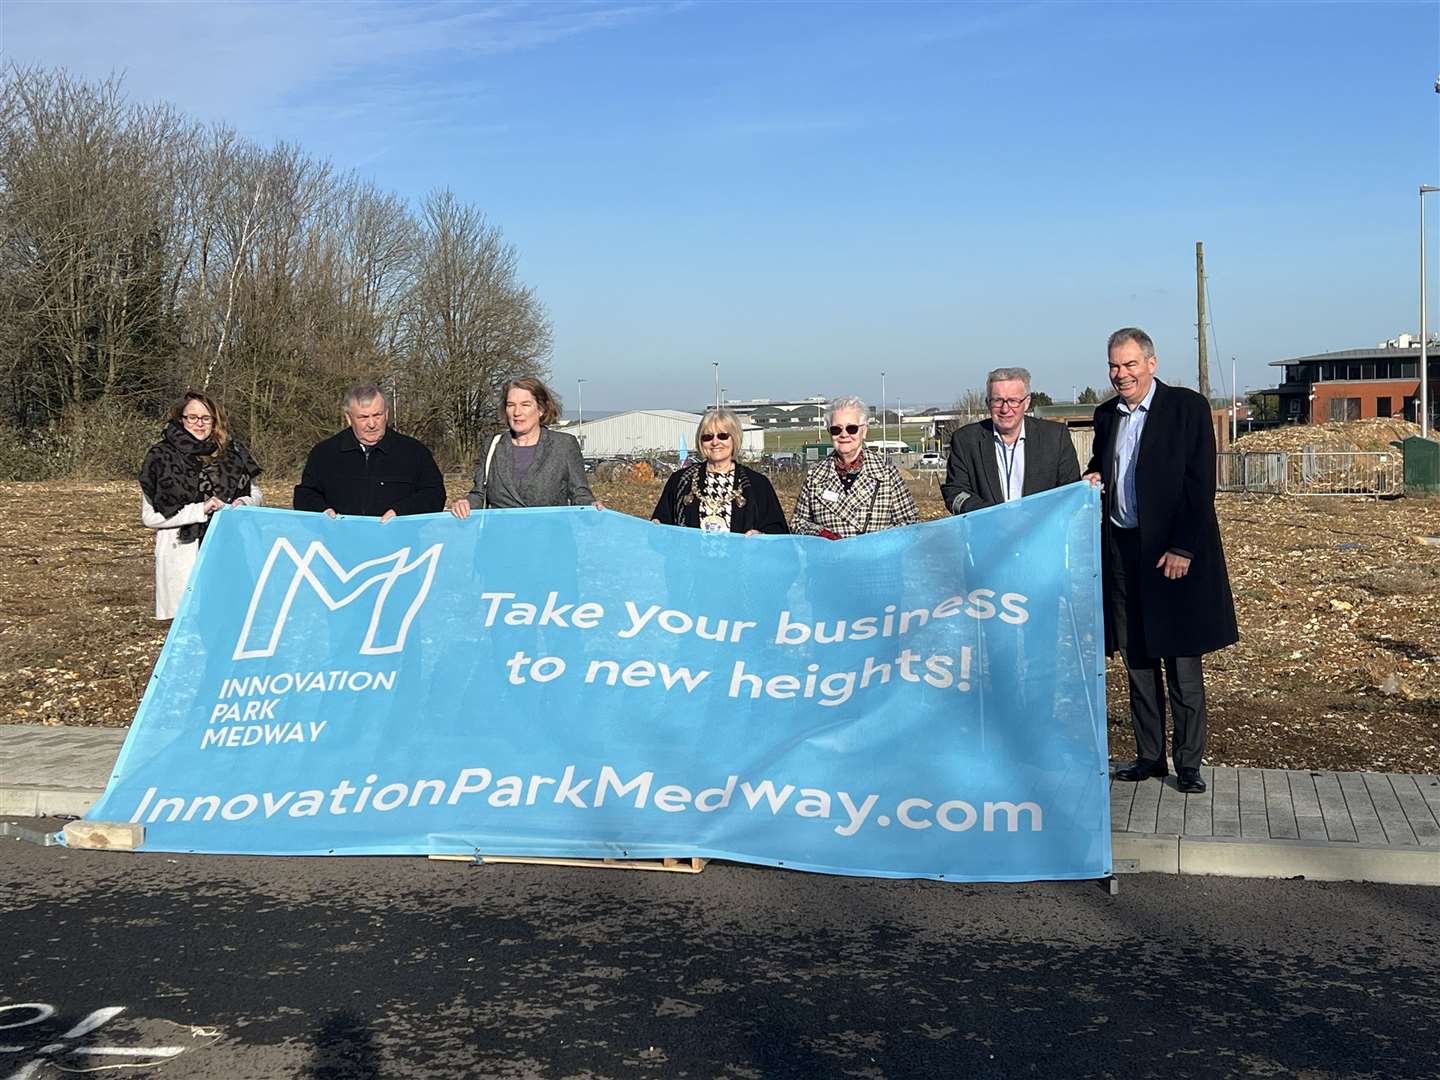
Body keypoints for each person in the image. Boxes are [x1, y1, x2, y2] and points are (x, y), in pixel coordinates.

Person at [1084, 327, 1238, 794]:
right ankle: (1149, 756)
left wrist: (1184, 547)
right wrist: (1093, 475)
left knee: (1182, 665)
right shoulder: (1106, 415)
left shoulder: (1185, 408)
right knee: (1137, 660)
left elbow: (1199, 485)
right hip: (1123, 552)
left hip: (1173, 556)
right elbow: (1101, 464)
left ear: (1151, 363)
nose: (1121, 374)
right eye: (1114, 365)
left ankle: (1188, 762)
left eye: (1130, 364)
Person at [140, 391, 263, 620]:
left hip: (229, 547)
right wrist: (200, 510)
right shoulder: (161, 457)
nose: (199, 423)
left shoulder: (233, 452)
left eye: (206, 418)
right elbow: (150, 516)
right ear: (181, 419)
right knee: (189, 628)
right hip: (185, 550)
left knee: (228, 623)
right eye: (192, 417)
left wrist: (244, 501)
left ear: (215, 421)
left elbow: (255, 492)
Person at [941, 366, 1081, 514]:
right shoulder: (965, 441)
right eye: (997, 401)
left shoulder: (1055, 437)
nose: (1005, 409)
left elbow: (1071, 492)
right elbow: (955, 492)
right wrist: (990, 514)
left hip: (1042, 534)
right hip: (986, 533)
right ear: (988, 403)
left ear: (1027, 402)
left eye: (1013, 401)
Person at [294, 384, 445, 520]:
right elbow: (305, 495)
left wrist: (401, 513)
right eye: (363, 417)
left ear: (386, 414)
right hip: (338, 544)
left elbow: (434, 494)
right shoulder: (325, 453)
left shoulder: (414, 452)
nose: (372, 424)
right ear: (348, 418)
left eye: (377, 415)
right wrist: (323, 512)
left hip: (399, 545)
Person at [450, 377, 597, 516]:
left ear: (541, 409)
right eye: (511, 405)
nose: (517, 412)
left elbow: (580, 494)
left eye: (525, 405)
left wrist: (592, 506)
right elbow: (480, 493)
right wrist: (467, 503)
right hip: (502, 538)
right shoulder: (493, 446)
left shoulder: (564, 445)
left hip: (550, 539)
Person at [791, 396, 920, 537]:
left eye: (851, 428)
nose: (844, 435)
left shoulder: (887, 475)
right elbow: (797, 524)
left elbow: (911, 525)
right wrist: (820, 533)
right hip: (831, 558)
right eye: (836, 430)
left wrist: (880, 541)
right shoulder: (815, 477)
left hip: (877, 557)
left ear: (864, 431)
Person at [650, 408, 788, 534]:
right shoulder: (680, 481)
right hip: (692, 561)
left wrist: (761, 536)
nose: (715, 442)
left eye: (722, 436)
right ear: (700, 442)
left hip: (741, 561)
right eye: (707, 437)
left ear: (734, 439)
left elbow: (778, 532)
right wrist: (656, 528)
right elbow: (661, 527)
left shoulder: (758, 484)